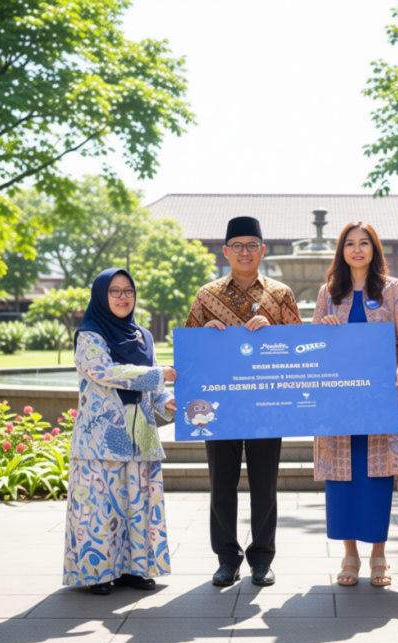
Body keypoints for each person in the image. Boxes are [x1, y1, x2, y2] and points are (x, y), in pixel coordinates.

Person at [184, 216, 302, 587]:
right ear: (226, 251)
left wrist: (273, 331)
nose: (245, 252)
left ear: (262, 250)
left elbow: (300, 347)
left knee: (265, 484)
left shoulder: (281, 294)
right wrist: (204, 334)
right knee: (221, 483)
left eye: (252, 245)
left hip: (267, 403)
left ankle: (262, 558)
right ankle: (227, 557)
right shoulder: (206, 295)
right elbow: (189, 351)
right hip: (219, 406)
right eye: (237, 246)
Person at [313, 221, 398, 587]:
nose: (357, 250)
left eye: (364, 243)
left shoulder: (392, 289)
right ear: (341, 250)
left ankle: (378, 555)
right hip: (338, 403)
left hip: (379, 400)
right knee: (341, 476)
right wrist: (323, 331)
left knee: (376, 475)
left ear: (374, 249)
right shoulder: (329, 292)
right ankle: (349, 555)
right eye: (350, 244)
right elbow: (312, 347)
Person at [65, 268, 177, 595]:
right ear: (101, 296)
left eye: (128, 290)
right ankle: (98, 574)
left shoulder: (143, 336)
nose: (123, 297)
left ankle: (134, 569)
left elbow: (152, 388)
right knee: (99, 507)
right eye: (114, 291)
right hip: (100, 436)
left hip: (139, 435)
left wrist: (167, 401)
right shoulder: (90, 334)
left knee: (137, 505)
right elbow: (103, 371)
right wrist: (158, 374)